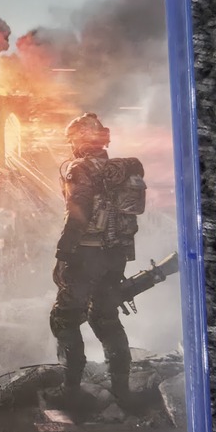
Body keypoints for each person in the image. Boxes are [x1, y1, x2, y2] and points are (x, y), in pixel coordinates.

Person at [49, 111, 149, 411]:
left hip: (86, 255)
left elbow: (77, 213)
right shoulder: (119, 170)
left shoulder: (79, 169)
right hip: (116, 255)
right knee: (105, 317)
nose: (71, 146)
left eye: (72, 140)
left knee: (64, 318)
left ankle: (71, 392)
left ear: (80, 141)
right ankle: (121, 392)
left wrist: (63, 254)